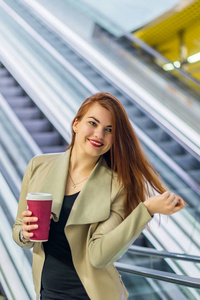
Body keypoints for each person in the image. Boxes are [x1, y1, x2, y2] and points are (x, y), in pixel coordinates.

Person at [13, 92, 185, 300]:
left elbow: (99, 256)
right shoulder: (38, 166)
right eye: (92, 123)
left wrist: (146, 210)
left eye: (109, 130)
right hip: (47, 294)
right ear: (76, 124)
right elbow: (19, 231)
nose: (99, 135)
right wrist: (25, 233)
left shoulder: (118, 185)